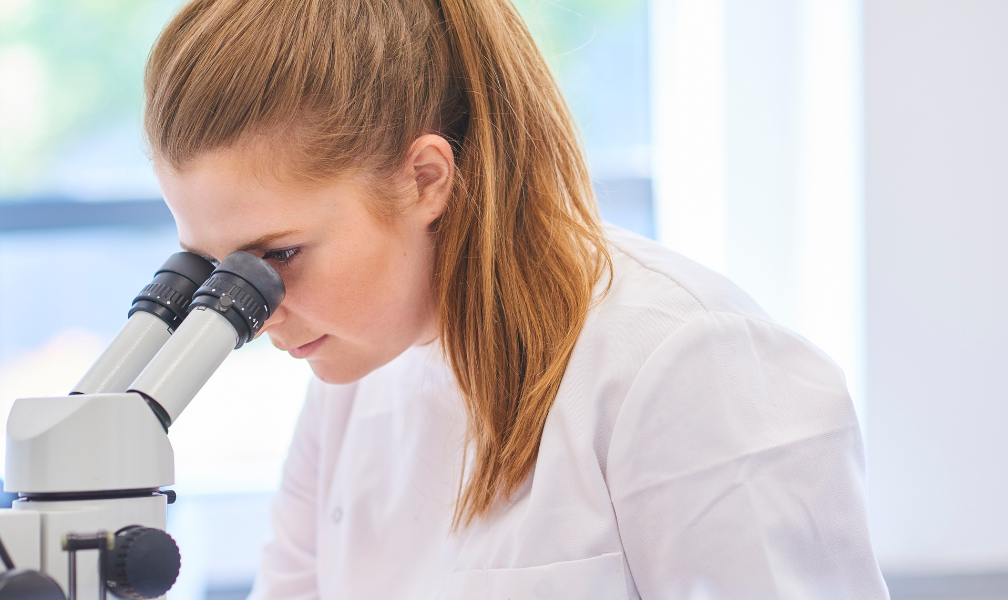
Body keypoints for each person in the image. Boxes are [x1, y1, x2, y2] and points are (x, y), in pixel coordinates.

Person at [143, 0, 889, 598]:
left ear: (425, 179)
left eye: (279, 256)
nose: (256, 313)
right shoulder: (353, 381)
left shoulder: (687, 364)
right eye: (213, 266)